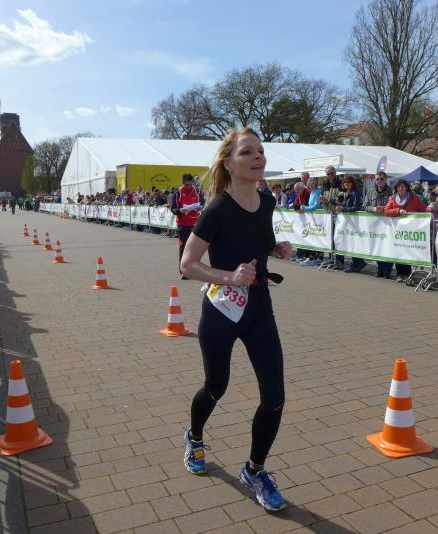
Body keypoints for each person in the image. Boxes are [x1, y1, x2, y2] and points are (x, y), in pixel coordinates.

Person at [180, 127, 293, 512]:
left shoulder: (267, 201)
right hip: (222, 310)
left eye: (260, 151)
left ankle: (255, 470)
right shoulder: (217, 210)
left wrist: (276, 249)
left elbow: (258, 243)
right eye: (247, 152)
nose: (258, 157)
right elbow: (188, 264)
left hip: (259, 308)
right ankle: (195, 437)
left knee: (275, 397)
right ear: (228, 163)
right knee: (216, 386)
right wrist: (229, 277)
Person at [383, 179, 428, 282]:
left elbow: (424, 209)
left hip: (410, 231)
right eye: (398, 187)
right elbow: (386, 211)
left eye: (402, 186)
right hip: (397, 231)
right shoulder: (393, 198)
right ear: (396, 189)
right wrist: (398, 211)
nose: (400, 188)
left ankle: (407, 274)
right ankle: (399, 274)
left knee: (407, 251)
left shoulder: (414, 198)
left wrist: (430, 209)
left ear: (407, 187)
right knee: (398, 251)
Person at [170, 173, 205, 280]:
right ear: (183, 183)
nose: (189, 187)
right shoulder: (178, 193)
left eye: (190, 185)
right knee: (184, 247)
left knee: (195, 249)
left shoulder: (197, 191)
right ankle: (183, 271)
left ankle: (194, 270)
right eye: (187, 185)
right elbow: (173, 209)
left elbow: (203, 203)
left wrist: (200, 207)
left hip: (196, 224)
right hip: (183, 224)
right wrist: (181, 210)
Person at [363, 171, 393, 277]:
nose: (379, 181)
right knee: (377, 246)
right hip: (375, 225)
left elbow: (395, 205)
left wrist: (385, 209)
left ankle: (387, 271)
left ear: (386, 179)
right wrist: (374, 209)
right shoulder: (370, 192)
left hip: (388, 225)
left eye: (381, 179)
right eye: (377, 179)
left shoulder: (392, 191)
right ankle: (380, 269)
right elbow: (364, 206)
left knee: (387, 247)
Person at [339, 175, 366, 273]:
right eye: (345, 182)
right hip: (350, 222)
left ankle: (358, 262)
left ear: (352, 183)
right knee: (351, 242)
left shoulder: (356, 192)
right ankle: (356, 262)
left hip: (356, 222)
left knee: (355, 242)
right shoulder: (347, 192)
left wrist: (343, 209)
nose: (346, 184)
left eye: (348, 182)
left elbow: (357, 207)